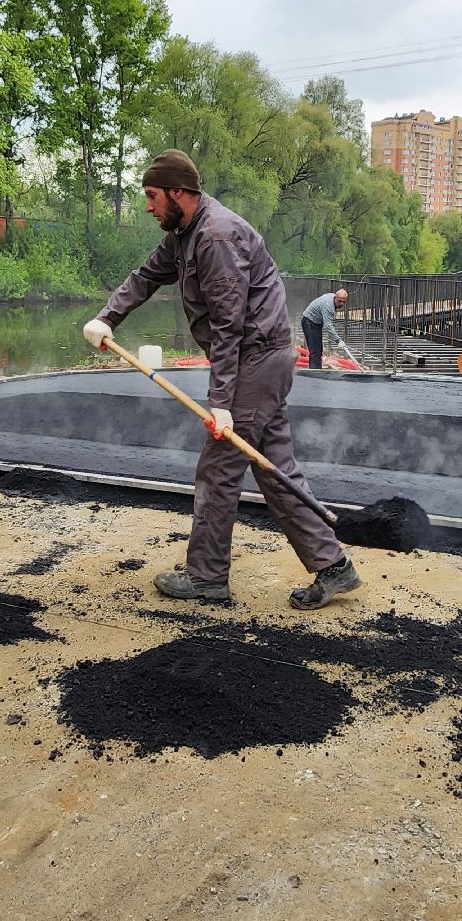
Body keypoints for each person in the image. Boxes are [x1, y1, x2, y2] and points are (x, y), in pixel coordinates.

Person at [83, 149, 362, 609]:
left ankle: (207, 577)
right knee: (276, 469)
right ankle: (333, 567)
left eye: (153, 196)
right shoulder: (184, 233)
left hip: (256, 360)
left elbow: (228, 325)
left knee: (218, 468)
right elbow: (146, 276)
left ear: (178, 193)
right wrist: (107, 318)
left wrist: (222, 402)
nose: (149, 206)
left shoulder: (215, 237)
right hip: (259, 360)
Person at [300, 287, 348, 369]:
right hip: (309, 322)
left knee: (319, 350)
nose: (341, 304)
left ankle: (317, 369)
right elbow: (328, 325)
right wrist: (338, 340)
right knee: (315, 351)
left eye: (344, 302)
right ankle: (315, 373)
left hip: (316, 323)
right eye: (339, 301)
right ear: (335, 297)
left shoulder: (332, 298)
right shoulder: (328, 305)